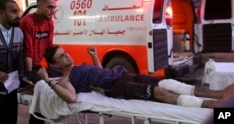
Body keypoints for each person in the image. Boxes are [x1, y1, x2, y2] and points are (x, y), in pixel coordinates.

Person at [37, 44, 234, 109]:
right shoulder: (65, 80)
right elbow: (71, 98)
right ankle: (210, 105)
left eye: (65, 52)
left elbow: (100, 72)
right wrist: (47, 81)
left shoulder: (80, 65)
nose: (67, 55)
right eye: (61, 56)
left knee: (168, 82)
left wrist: (94, 56)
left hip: (120, 74)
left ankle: (217, 94)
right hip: (116, 87)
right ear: (54, 64)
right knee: (159, 91)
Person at [19, 0, 60, 124]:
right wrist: (29, 78)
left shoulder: (49, 23)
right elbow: (27, 52)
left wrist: (53, 70)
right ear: (39, 6)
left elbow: (49, 49)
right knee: (43, 90)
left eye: (54, 7)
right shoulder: (28, 22)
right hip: (24, 67)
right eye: (49, 7)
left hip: (37, 66)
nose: (52, 10)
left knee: (55, 83)